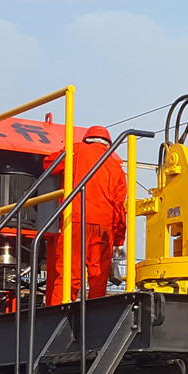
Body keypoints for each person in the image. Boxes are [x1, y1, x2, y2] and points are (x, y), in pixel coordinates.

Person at [66, 125, 127, 299]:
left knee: (69, 274)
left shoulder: (75, 151)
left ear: (87, 139)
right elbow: (119, 207)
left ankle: (59, 313)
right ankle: (95, 315)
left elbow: (50, 163)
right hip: (104, 226)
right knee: (98, 275)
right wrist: (118, 240)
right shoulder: (116, 167)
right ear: (108, 144)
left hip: (75, 220)